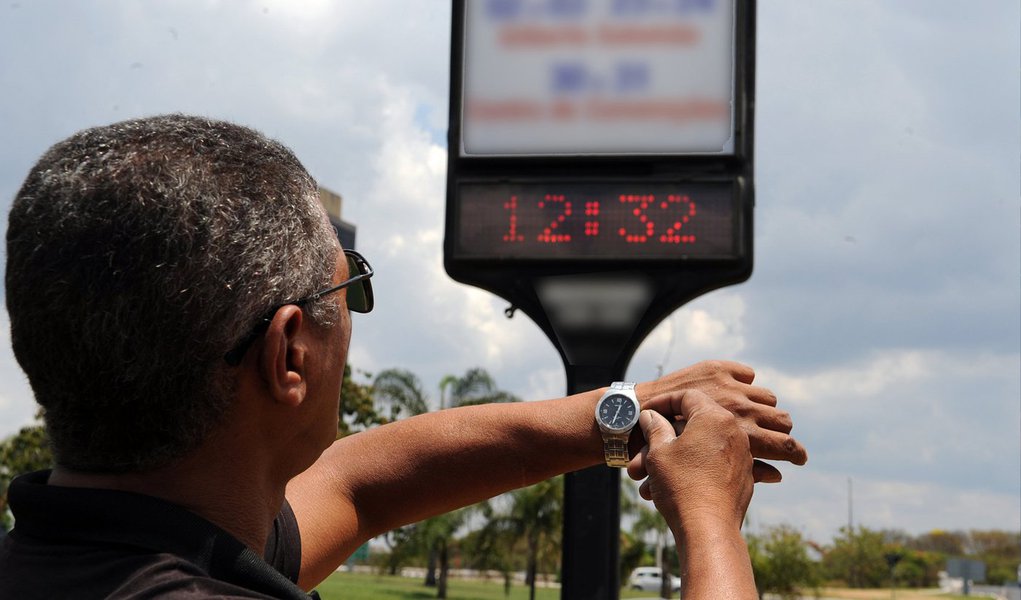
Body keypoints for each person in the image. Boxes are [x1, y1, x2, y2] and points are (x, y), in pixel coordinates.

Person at [0, 115, 806, 599]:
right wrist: (708, 518)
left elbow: (362, 484)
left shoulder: (105, 549)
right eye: (346, 293)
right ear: (288, 351)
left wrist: (627, 407)